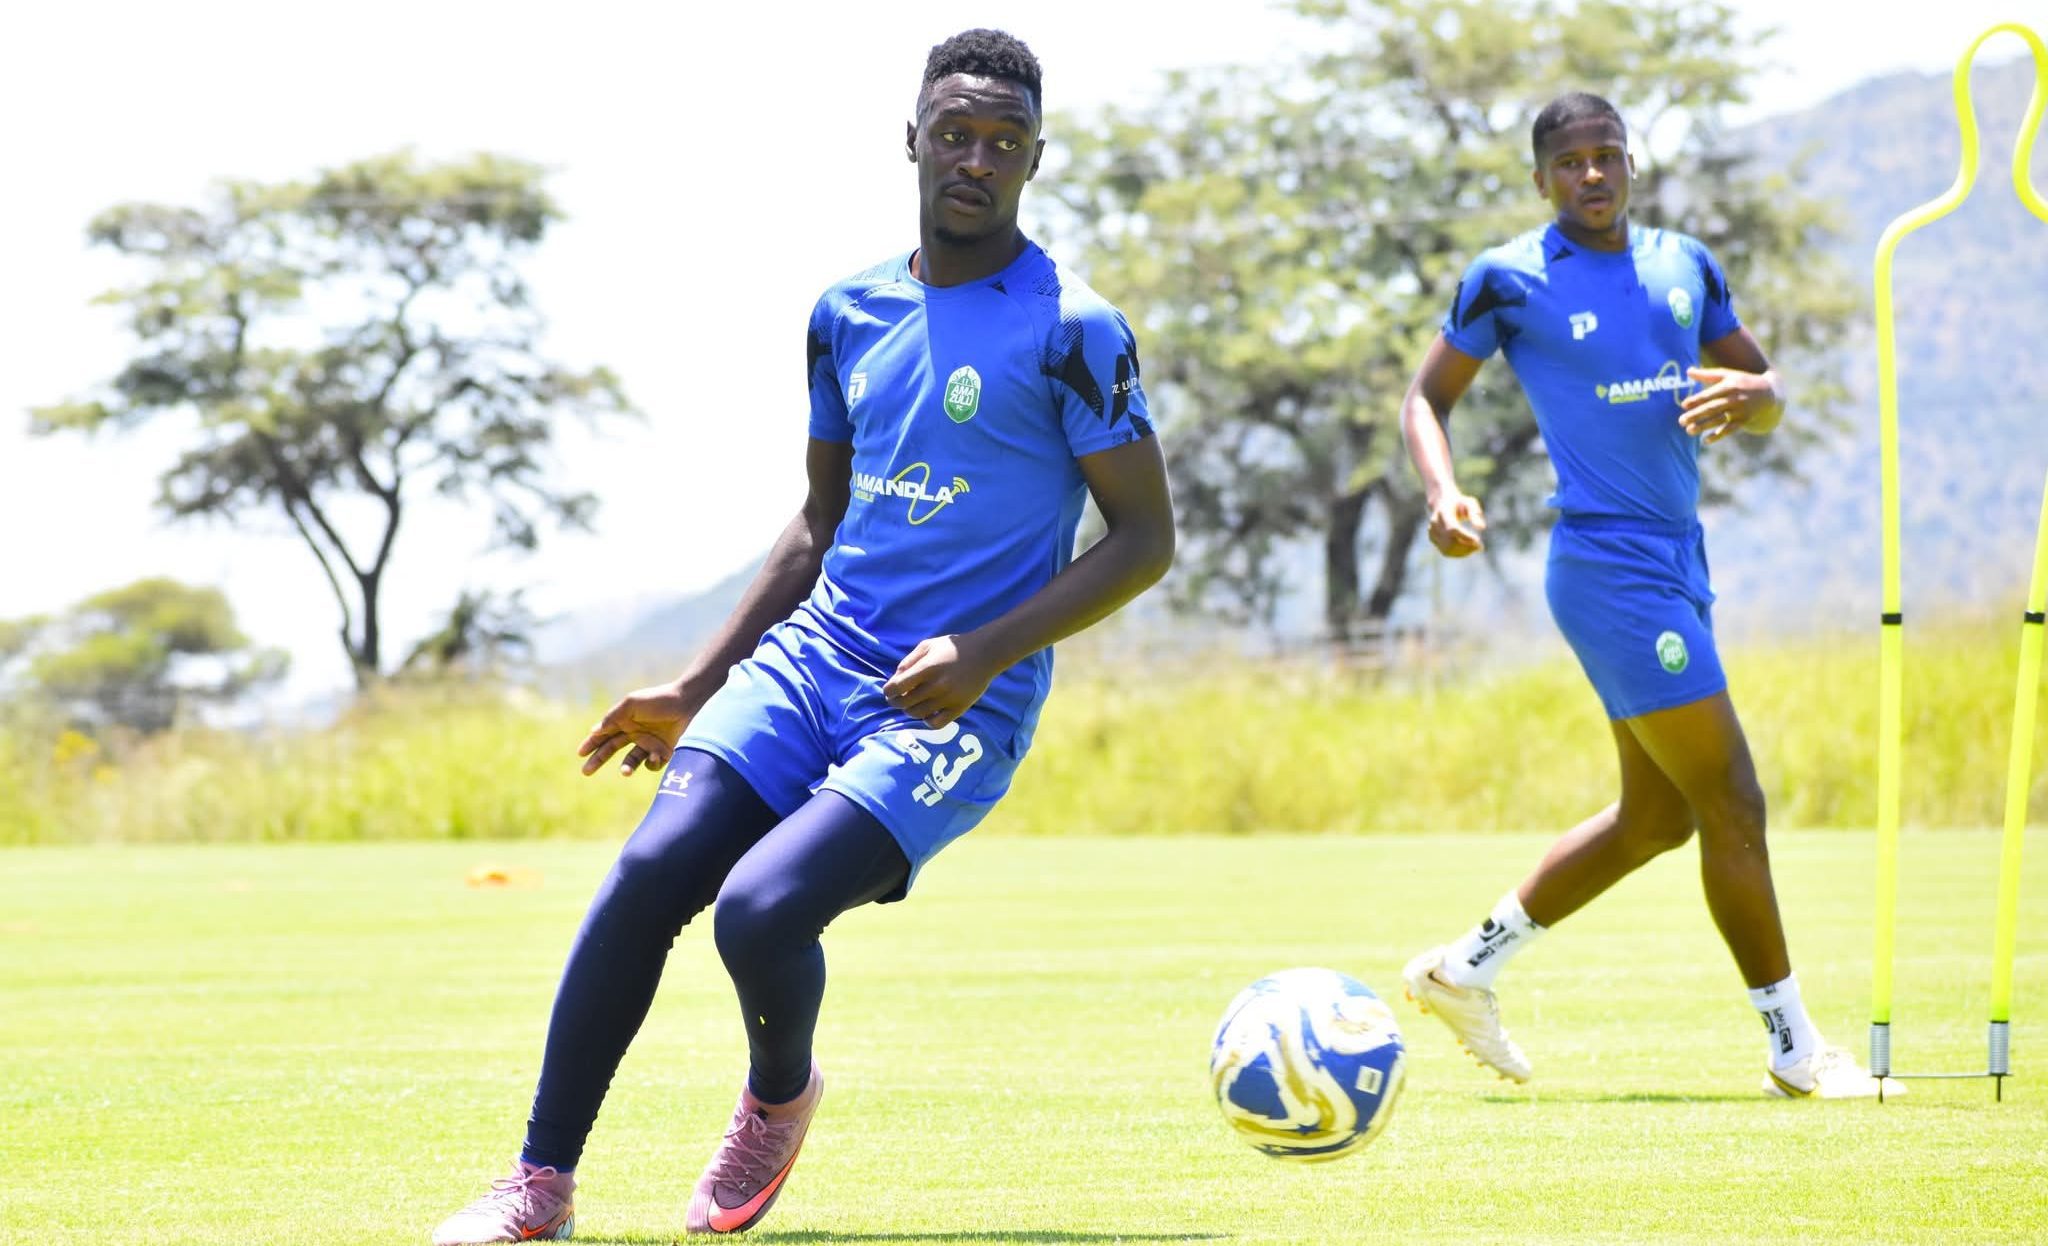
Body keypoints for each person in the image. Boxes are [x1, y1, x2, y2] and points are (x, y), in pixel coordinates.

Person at [432, 28, 1174, 1243]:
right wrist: (696, 682)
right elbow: (818, 521)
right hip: (811, 661)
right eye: (953, 135)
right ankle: (537, 1187)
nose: (975, 160)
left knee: (760, 911)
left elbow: (1144, 541)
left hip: (953, 705)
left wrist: (986, 650)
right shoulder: (845, 313)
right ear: (910, 141)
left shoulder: (1075, 330)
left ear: (1037, 160)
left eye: (1004, 142)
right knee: (648, 874)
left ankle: (777, 1096)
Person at [1394, 91, 1894, 1100]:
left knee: (1657, 818)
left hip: (1679, 560)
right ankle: (1794, 1050)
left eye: (1607, 154)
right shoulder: (1507, 278)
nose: (1591, 173)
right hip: (1604, 568)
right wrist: (1443, 493)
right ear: (1540, 179)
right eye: (1570, 161)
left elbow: (1763, 392)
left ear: (1630, 164)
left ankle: (1462, 970)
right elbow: (1425, 399)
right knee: (1733, 799)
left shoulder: (1684, 263)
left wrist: (1760, 394)